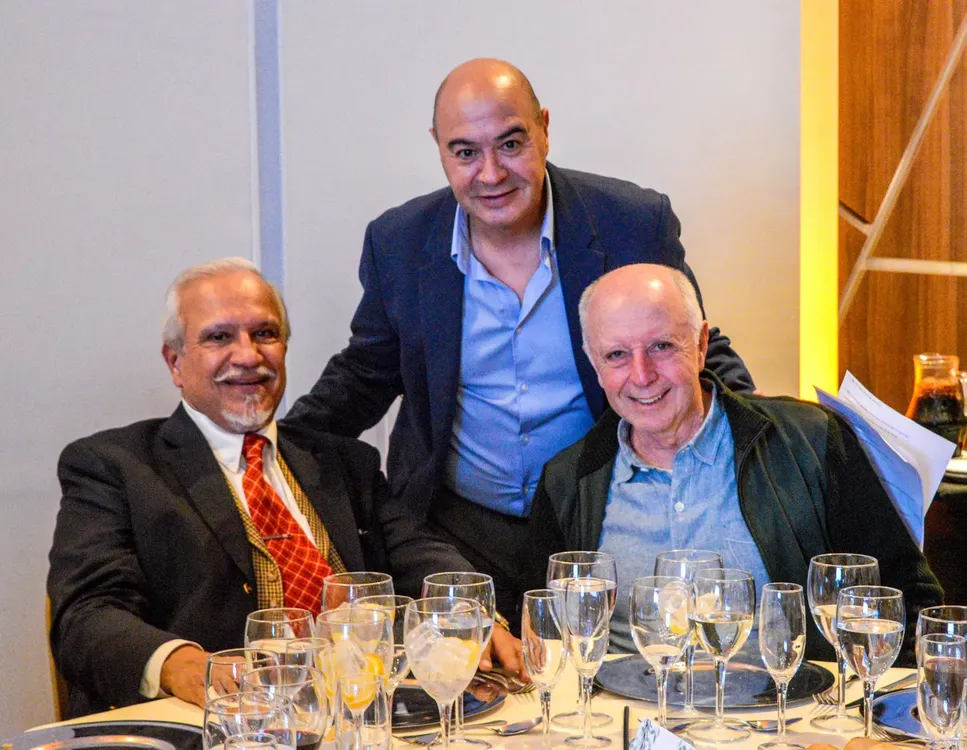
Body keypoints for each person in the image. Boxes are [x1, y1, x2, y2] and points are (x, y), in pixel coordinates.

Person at [283, 58, 755, 623]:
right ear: (439, 148)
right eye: (465, 152)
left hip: (597, 515)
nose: (490, 174)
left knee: (598, 685)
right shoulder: (399, 243)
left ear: (544, 129)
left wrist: (767, 450)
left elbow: (691, 346)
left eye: (510, 144)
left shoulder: (630, 223)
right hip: (457, 530)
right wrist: (273, 450)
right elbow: (365, 375)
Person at [47, 258, 472, 717]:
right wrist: (183, 666)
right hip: (213, 724)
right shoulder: (113, 466)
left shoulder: (345, 460)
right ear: (175, 362)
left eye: (265, 334)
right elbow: (85, 618)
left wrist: (469, 613)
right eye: (218, 337)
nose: (248, 356)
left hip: (363, 716)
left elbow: (418, 551)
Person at [523, 263, 942, 663]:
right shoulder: (567, 481)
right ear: (594, 363)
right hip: (625, 727)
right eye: (616, 355)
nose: (642, 374)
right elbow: (543, 635)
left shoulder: (810, 441)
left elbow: (906, 602)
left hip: (785, 723)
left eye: (662, 346)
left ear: (702, 344)